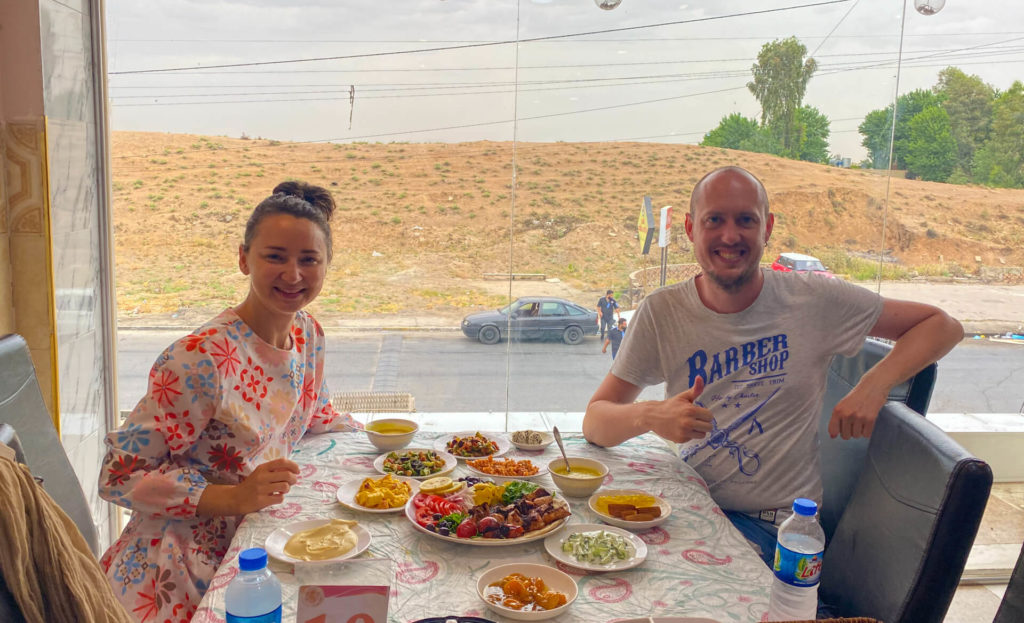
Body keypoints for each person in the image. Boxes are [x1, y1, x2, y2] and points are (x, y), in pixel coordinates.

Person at [582, 166, 962, 565]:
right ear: (692, 229)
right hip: (690, 511)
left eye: (746, 220)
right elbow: (595, 423)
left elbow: (943, 326)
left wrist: (874, 384)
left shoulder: (813, 298)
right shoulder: (662, 311)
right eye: (715, 220)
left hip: (773, 528)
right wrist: (650, 415)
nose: (730, 236)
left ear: (768, 228)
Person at [98, 181, 360, 622]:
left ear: (327, 265)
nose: (293, 275)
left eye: (308, 259)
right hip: (177, 565)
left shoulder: (308, 335)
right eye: (275, 256)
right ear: (244, 259)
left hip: (260, 542)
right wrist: (236, 497)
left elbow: (312, 415)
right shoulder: (200, 358)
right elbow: (119, 476)